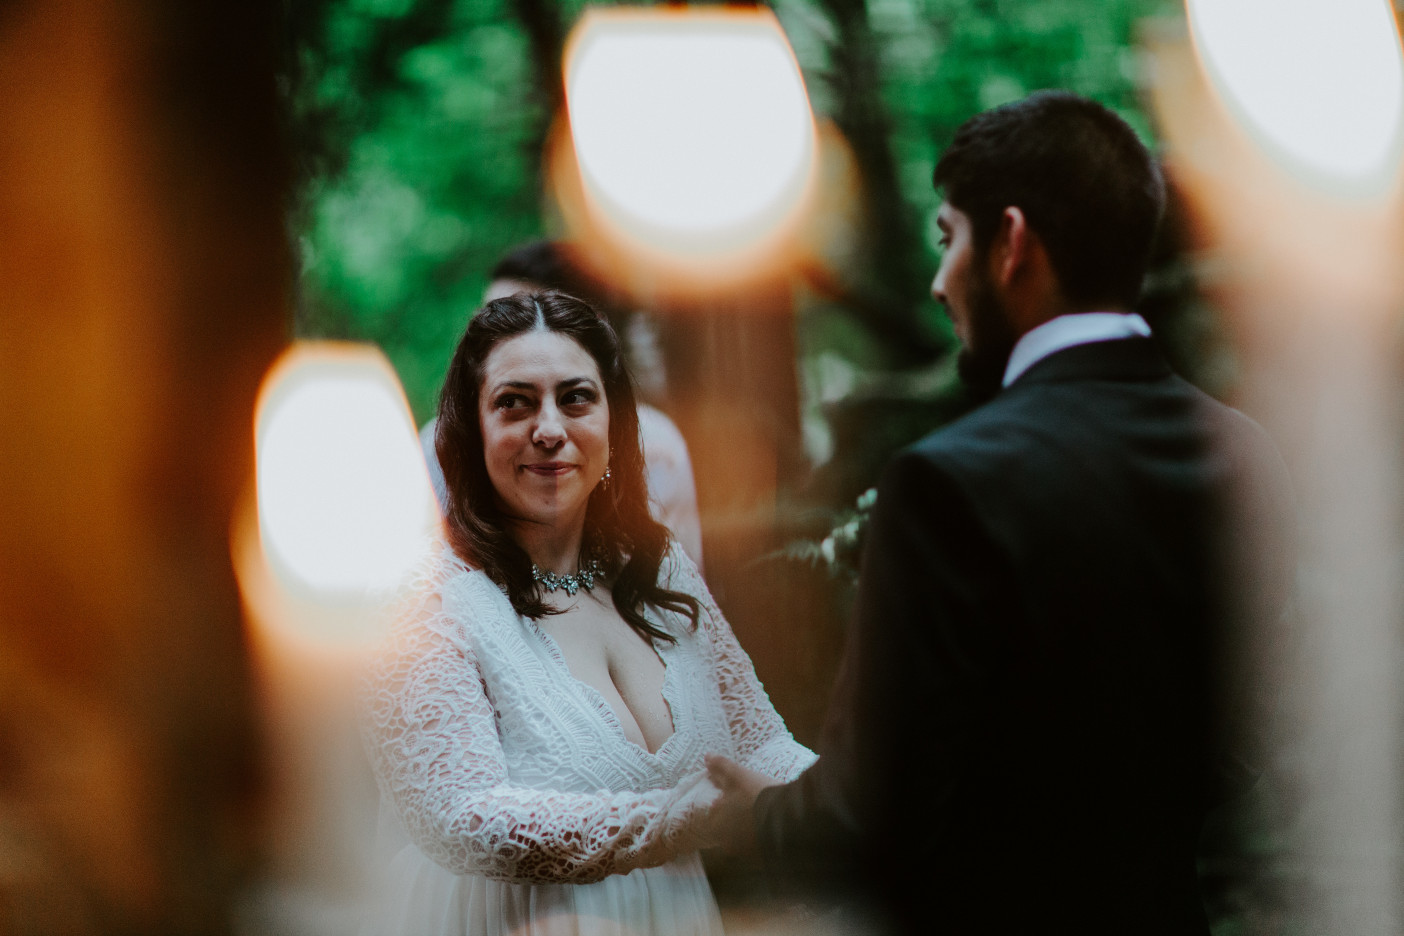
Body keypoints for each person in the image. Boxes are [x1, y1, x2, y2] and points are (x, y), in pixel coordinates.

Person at [706, 91, 1294, 934]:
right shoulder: (1245, 454)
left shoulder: (948, 482)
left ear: (1013, 243)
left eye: (948, 238)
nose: (941, 281)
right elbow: (1245, 743)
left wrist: (755, 816)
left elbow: (867, 812)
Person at [360, 291, 814, 936]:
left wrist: (843, 800)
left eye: (575, 398)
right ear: (472, 431)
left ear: (612, 422)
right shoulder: (423, 602)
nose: (549, 429)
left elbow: (761, 741)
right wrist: (681, 821)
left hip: (674, 915)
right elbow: (463, 818)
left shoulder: (659, 570)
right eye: (514, 403)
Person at [420, 241, 704, 571]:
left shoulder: (658, 444)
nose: (499, 329)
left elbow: (681, 569)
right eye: (490, 314)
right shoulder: (438, 441)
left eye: (521, 313)